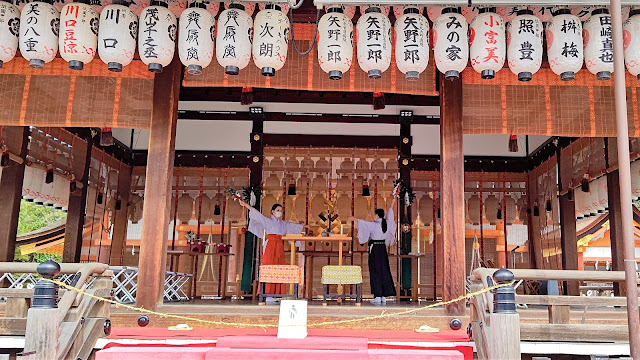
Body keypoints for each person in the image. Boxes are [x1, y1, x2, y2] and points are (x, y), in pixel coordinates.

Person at [238, 200, 308, 297]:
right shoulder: (267, 221)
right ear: (272, 211)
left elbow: (292, 226)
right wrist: (246, 205)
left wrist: (304, 226)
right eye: (278, 210)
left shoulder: (283, 223)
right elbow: (257, 214)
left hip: (279, 246)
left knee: (279, 269)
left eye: (281, 210)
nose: (280, 212)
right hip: (270, 246)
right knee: (268, 268)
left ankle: (278, 294)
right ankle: (267, 293)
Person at [349, 196, 397, 305]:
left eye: (375, 214)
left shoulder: (375, 224)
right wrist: (392, 203)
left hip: (375, 249)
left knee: (375, 271)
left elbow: (363, 224)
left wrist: (354, 219)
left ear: (377, 215)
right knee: (384, 270)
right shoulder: (387, 223)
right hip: (382, 249)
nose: (374, 216)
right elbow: (390, 213)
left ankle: (377, 296)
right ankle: (383, 296)